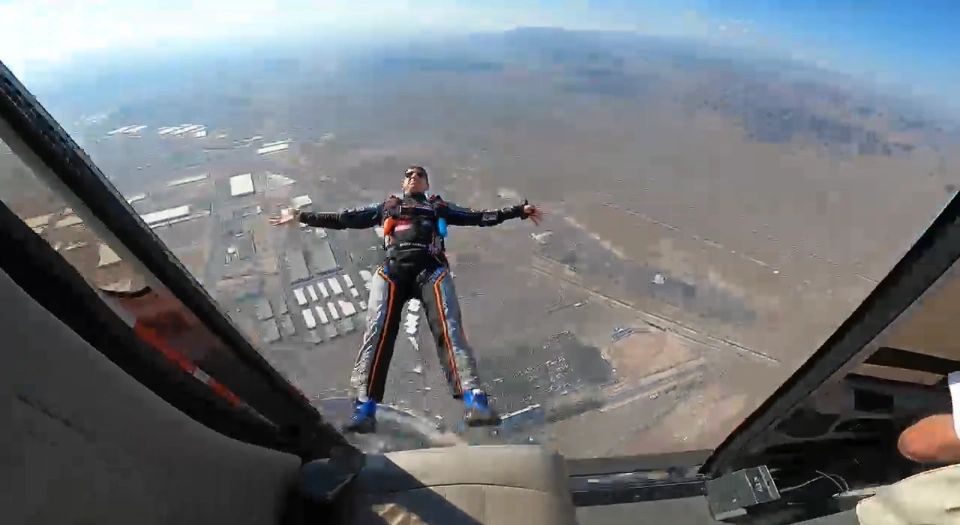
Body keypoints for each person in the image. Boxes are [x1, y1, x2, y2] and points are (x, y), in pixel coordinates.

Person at [270, 166, 543, 433]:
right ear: (403, 184)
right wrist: (302, 216)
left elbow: (479, 216)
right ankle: (364, 409)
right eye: (409, 175)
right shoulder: (387, 208)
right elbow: (344, 219)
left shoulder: (438, 207)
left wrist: (518, 211)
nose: (414, 178)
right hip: (393, 271)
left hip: (431, 269)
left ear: (426, 184)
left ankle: (476, 401)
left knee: (449, 329)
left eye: (420, 175)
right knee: (377, 332)